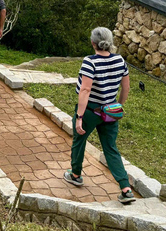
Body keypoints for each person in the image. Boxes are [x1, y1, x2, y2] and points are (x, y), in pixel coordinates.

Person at [63, 27, 135, 204]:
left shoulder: (90, 62)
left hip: (90, 111)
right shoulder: (120, 60)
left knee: (79, 141)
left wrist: (79, 116)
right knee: (110, 147)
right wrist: (119, 105)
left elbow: (85, 89)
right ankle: (125, 188)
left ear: (93, 43)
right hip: (110, 111)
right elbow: (126, 87)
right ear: (109, 42)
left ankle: (76, 174)